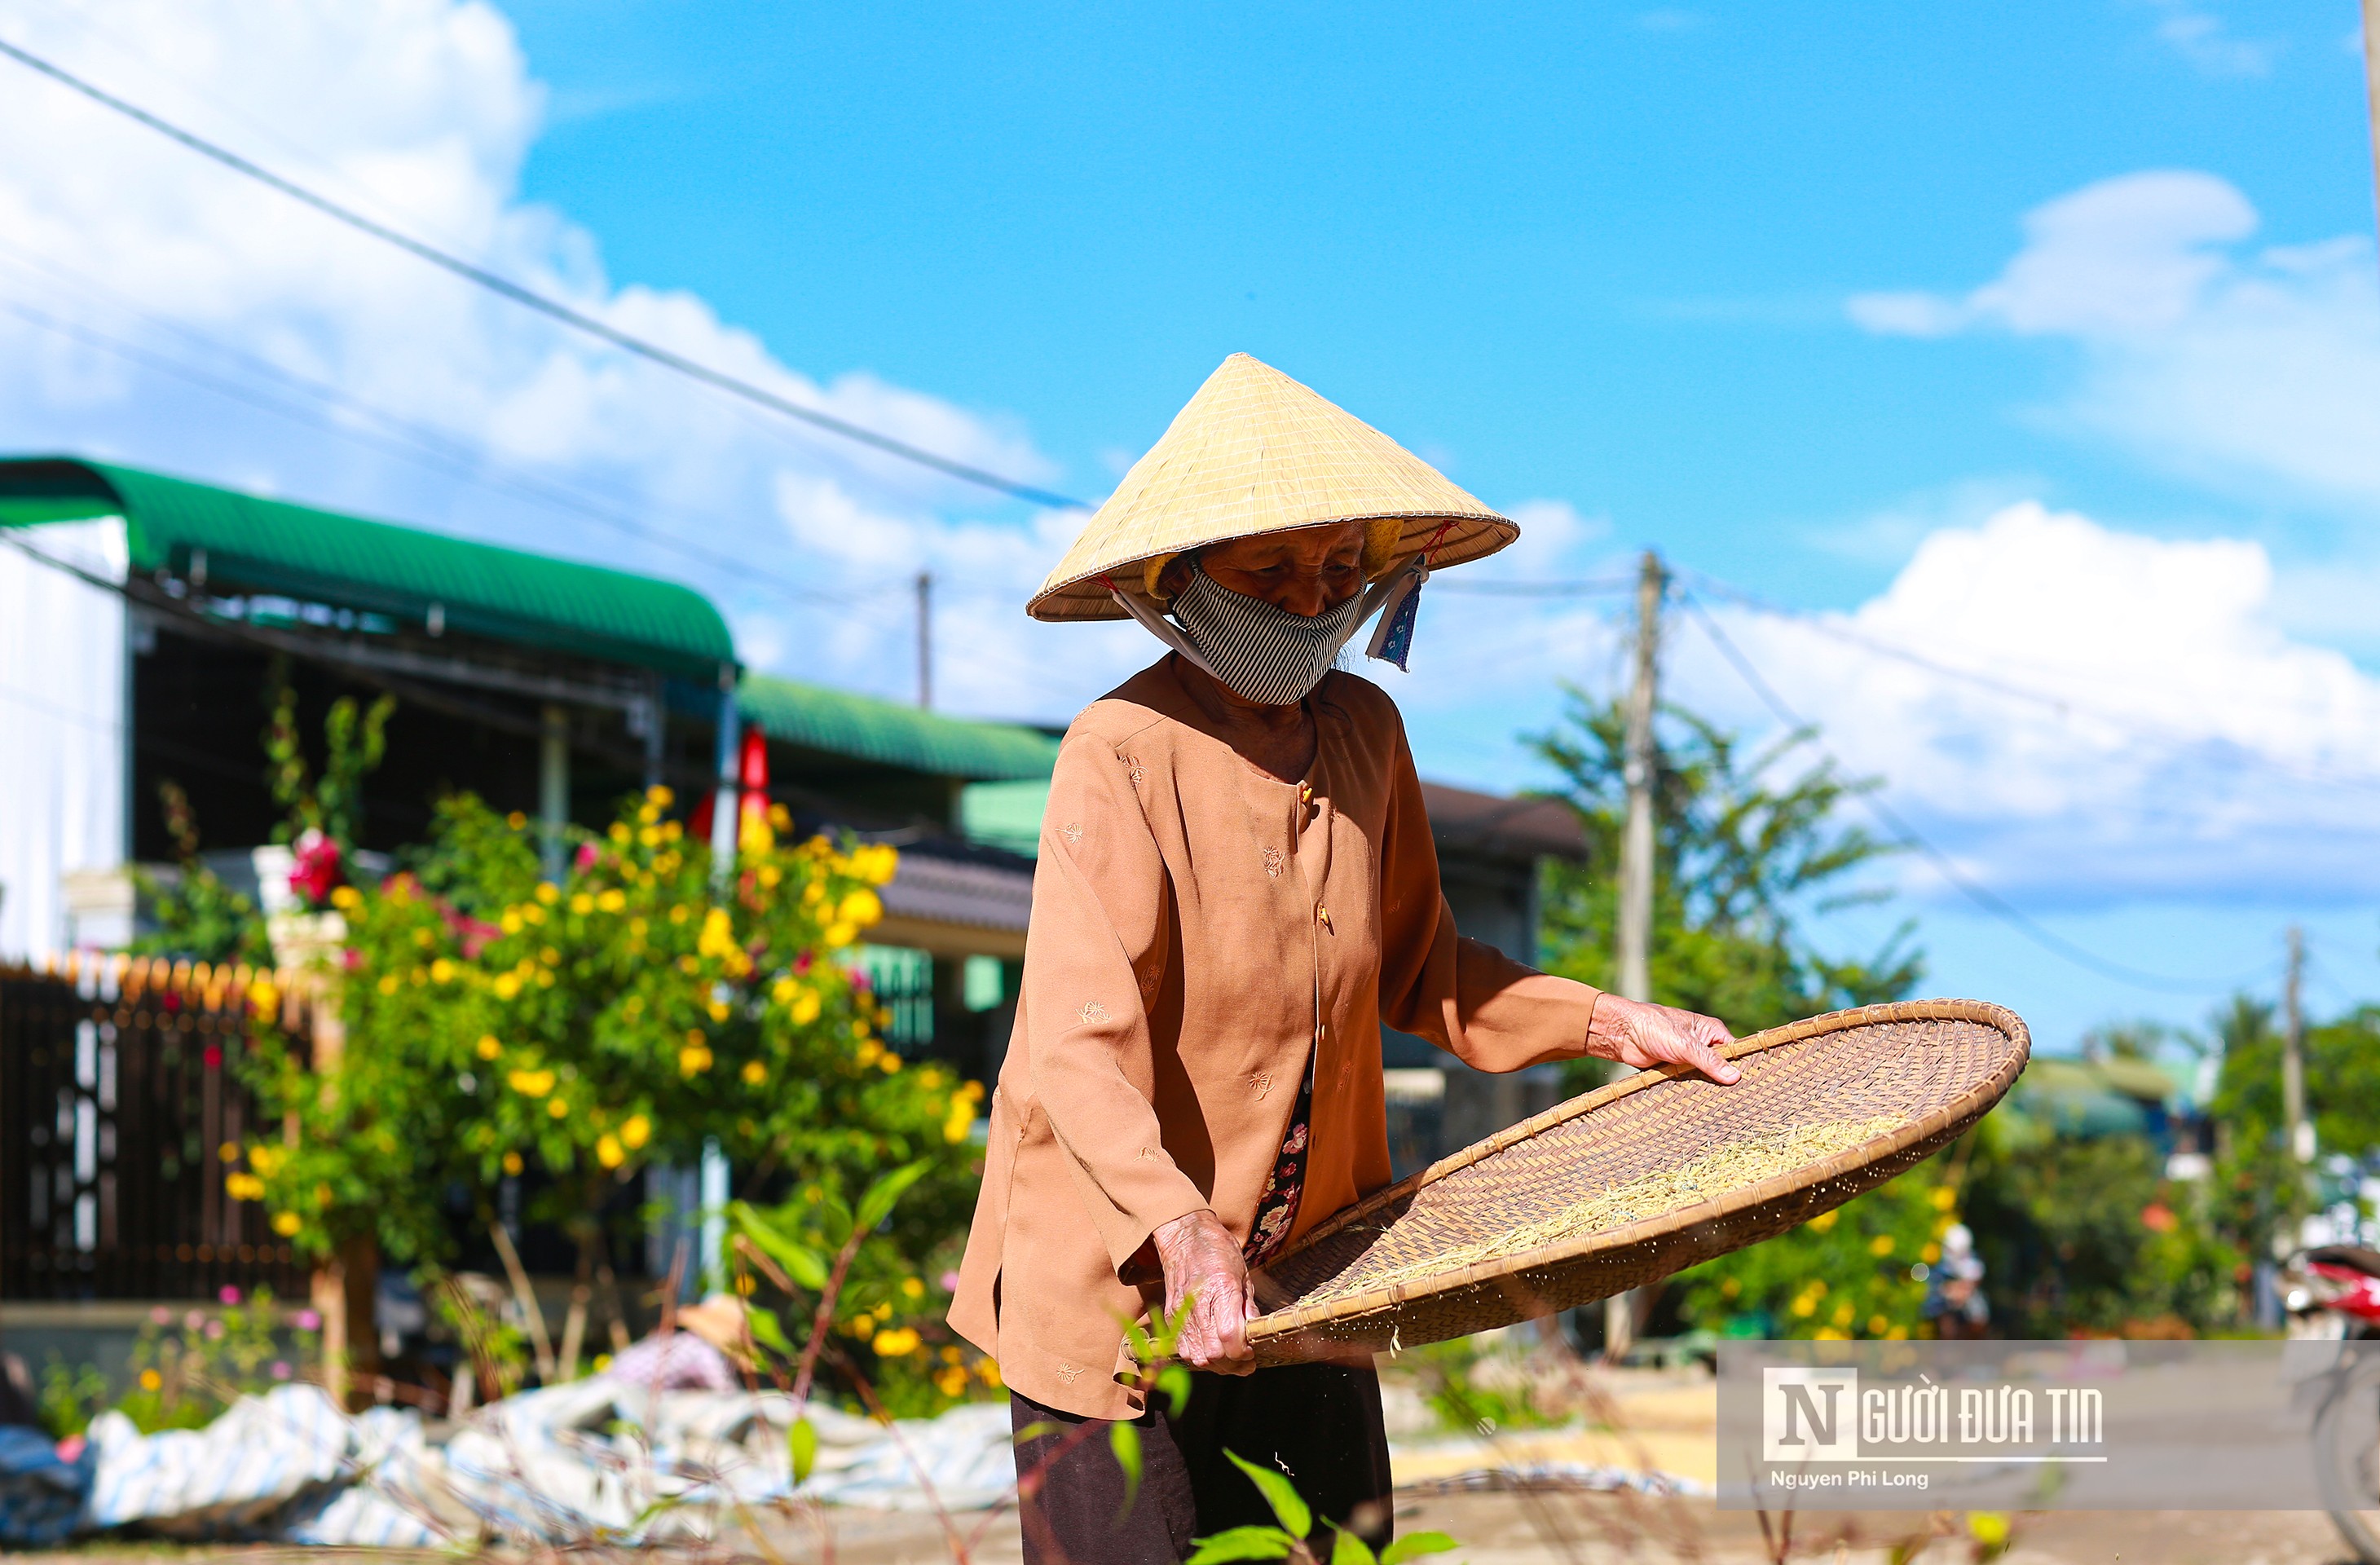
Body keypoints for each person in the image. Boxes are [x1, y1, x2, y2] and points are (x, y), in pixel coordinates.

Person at [946, 354, 1741, 1563]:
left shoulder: (1367, 733)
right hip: (1118, 1285)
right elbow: (1074, 1044)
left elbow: (1428, 968)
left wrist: (1616, 1023)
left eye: (1336, 568)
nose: (1310, 599)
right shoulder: (1121, 750)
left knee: (1336, 1550)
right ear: (1176, 580)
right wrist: (1182, 1225)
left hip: (1310, 1279)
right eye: (1268, 570)